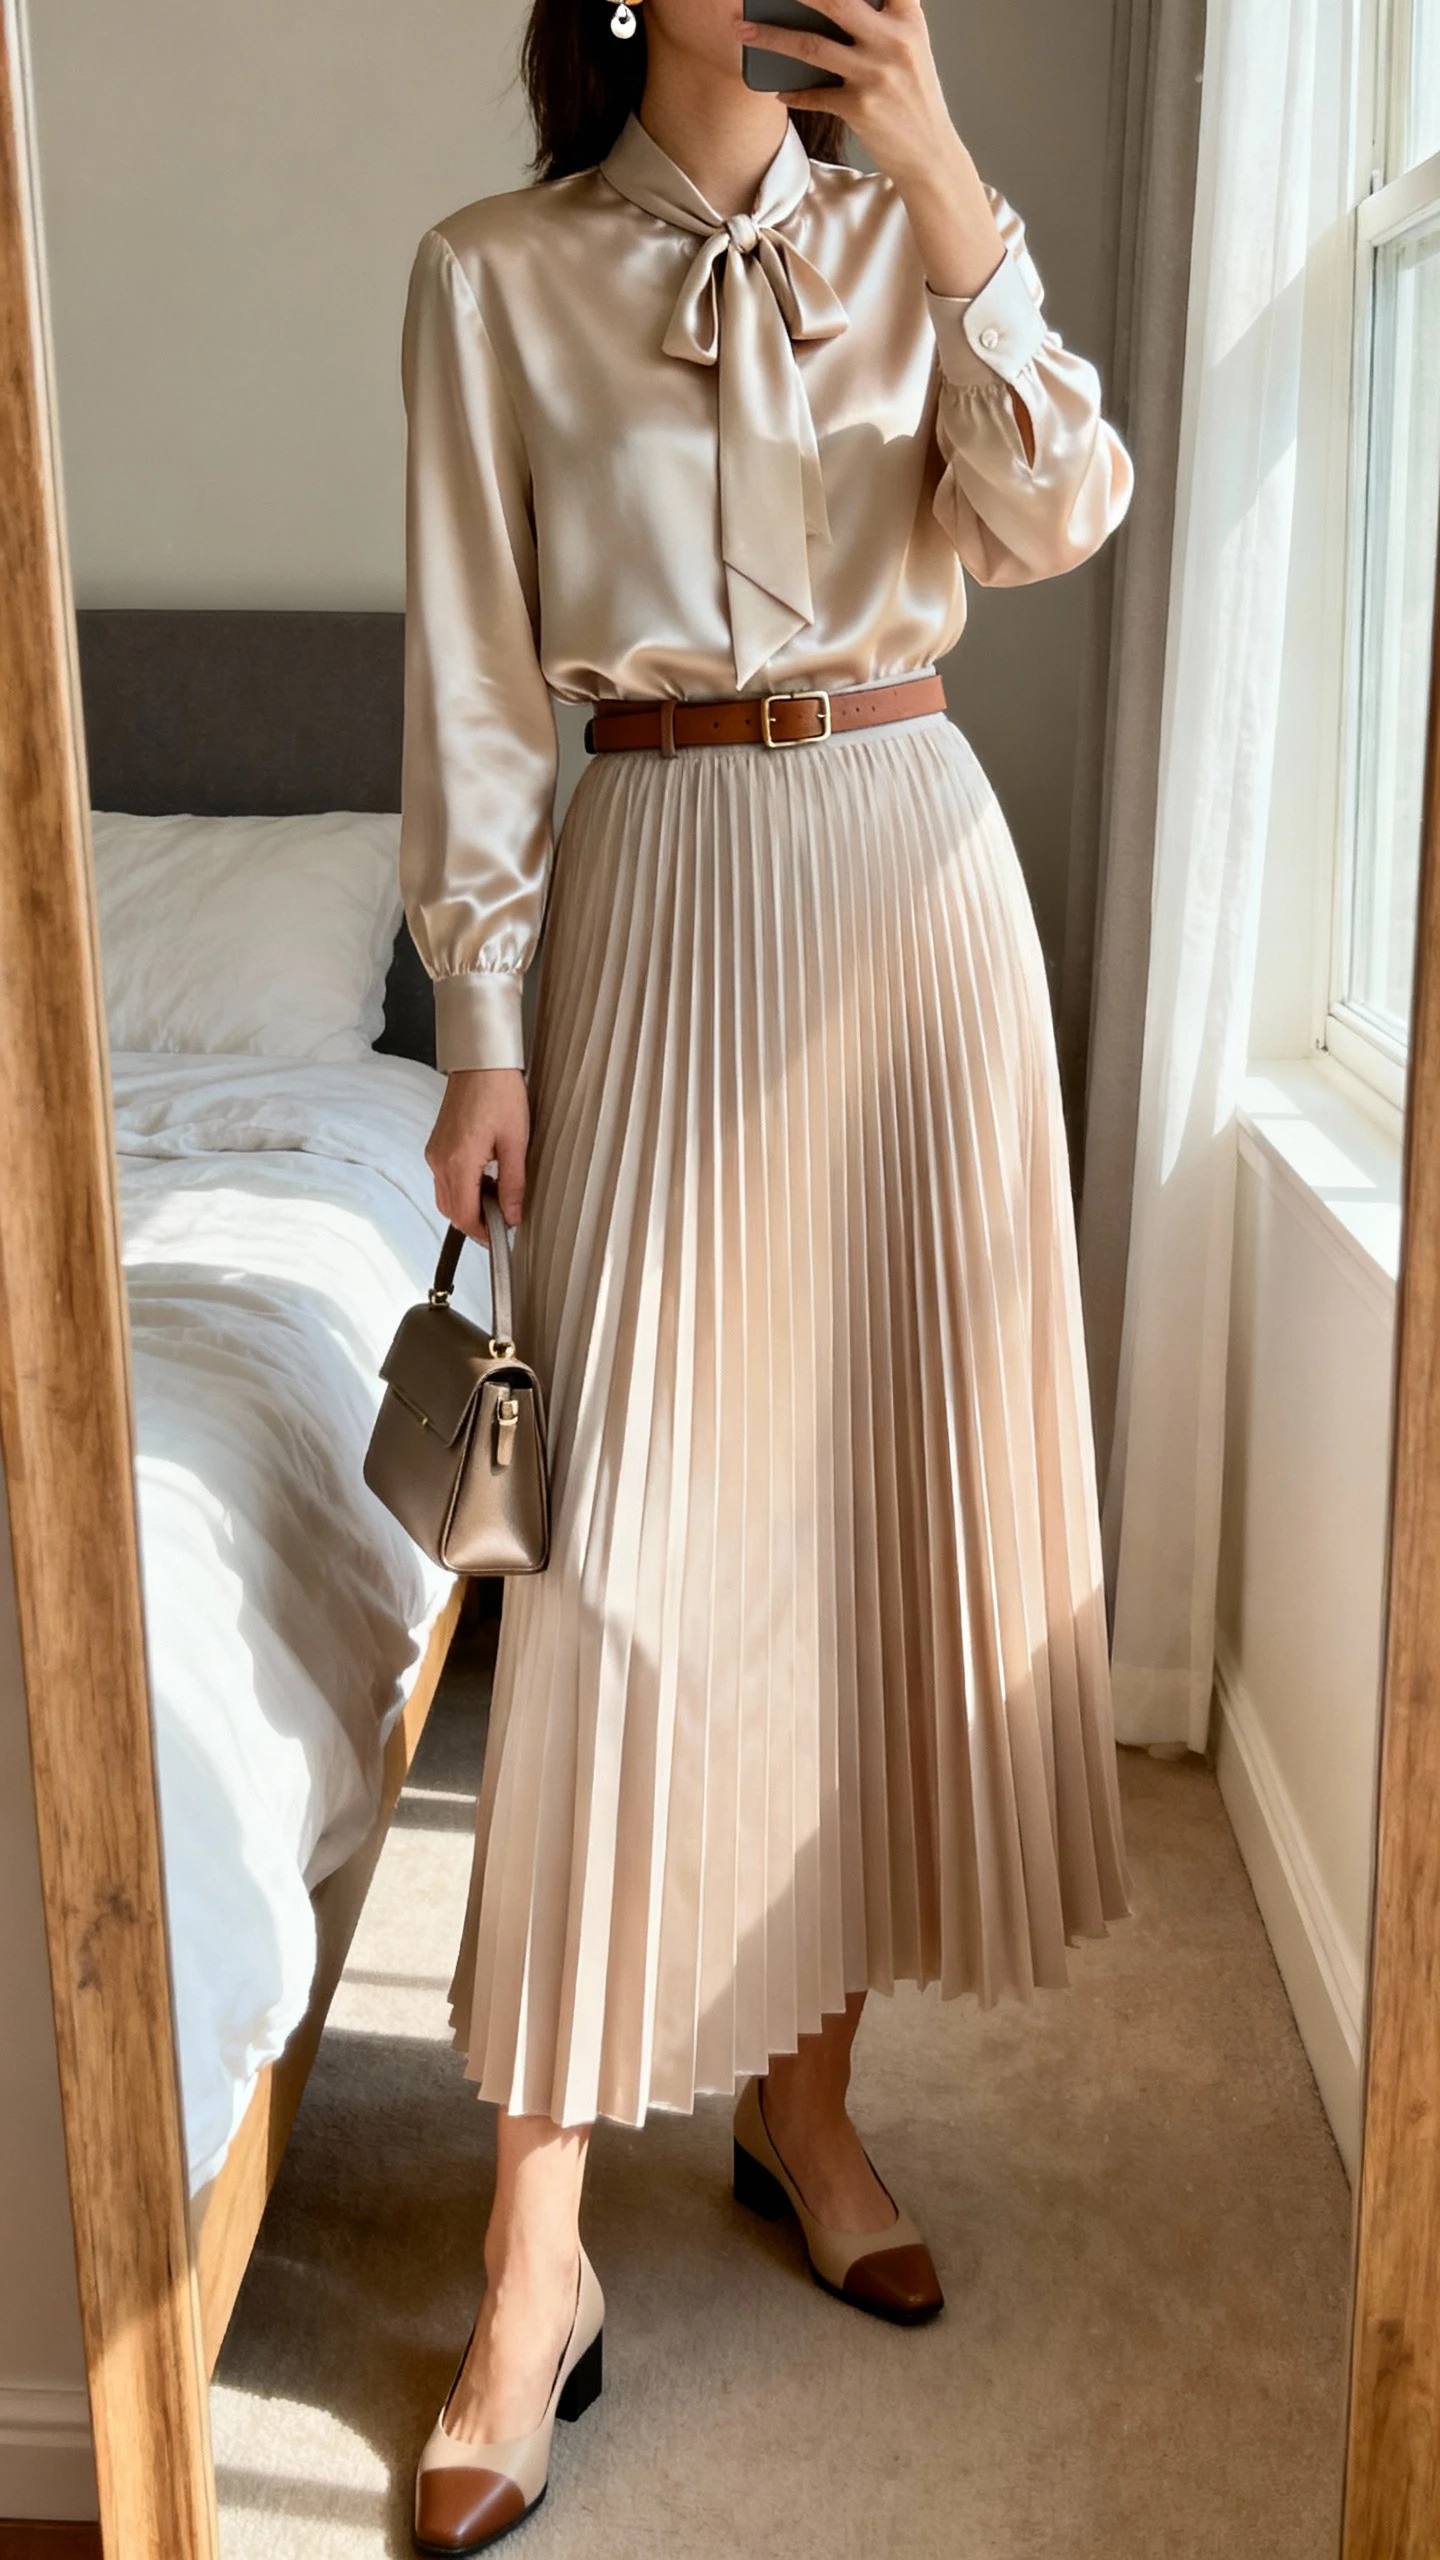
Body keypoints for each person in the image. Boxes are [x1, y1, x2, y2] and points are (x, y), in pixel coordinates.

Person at [399, 0, 1133, 2546]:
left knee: (858, 1533)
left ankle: (805, 2097)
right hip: (656, 890)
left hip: (915, 886)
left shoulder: (924, 233)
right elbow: (481, 689)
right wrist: (478, 1022)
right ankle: (532, 2258)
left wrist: (945, 180)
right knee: (629, 1588)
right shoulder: (492, 274)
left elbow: (1058, 514)